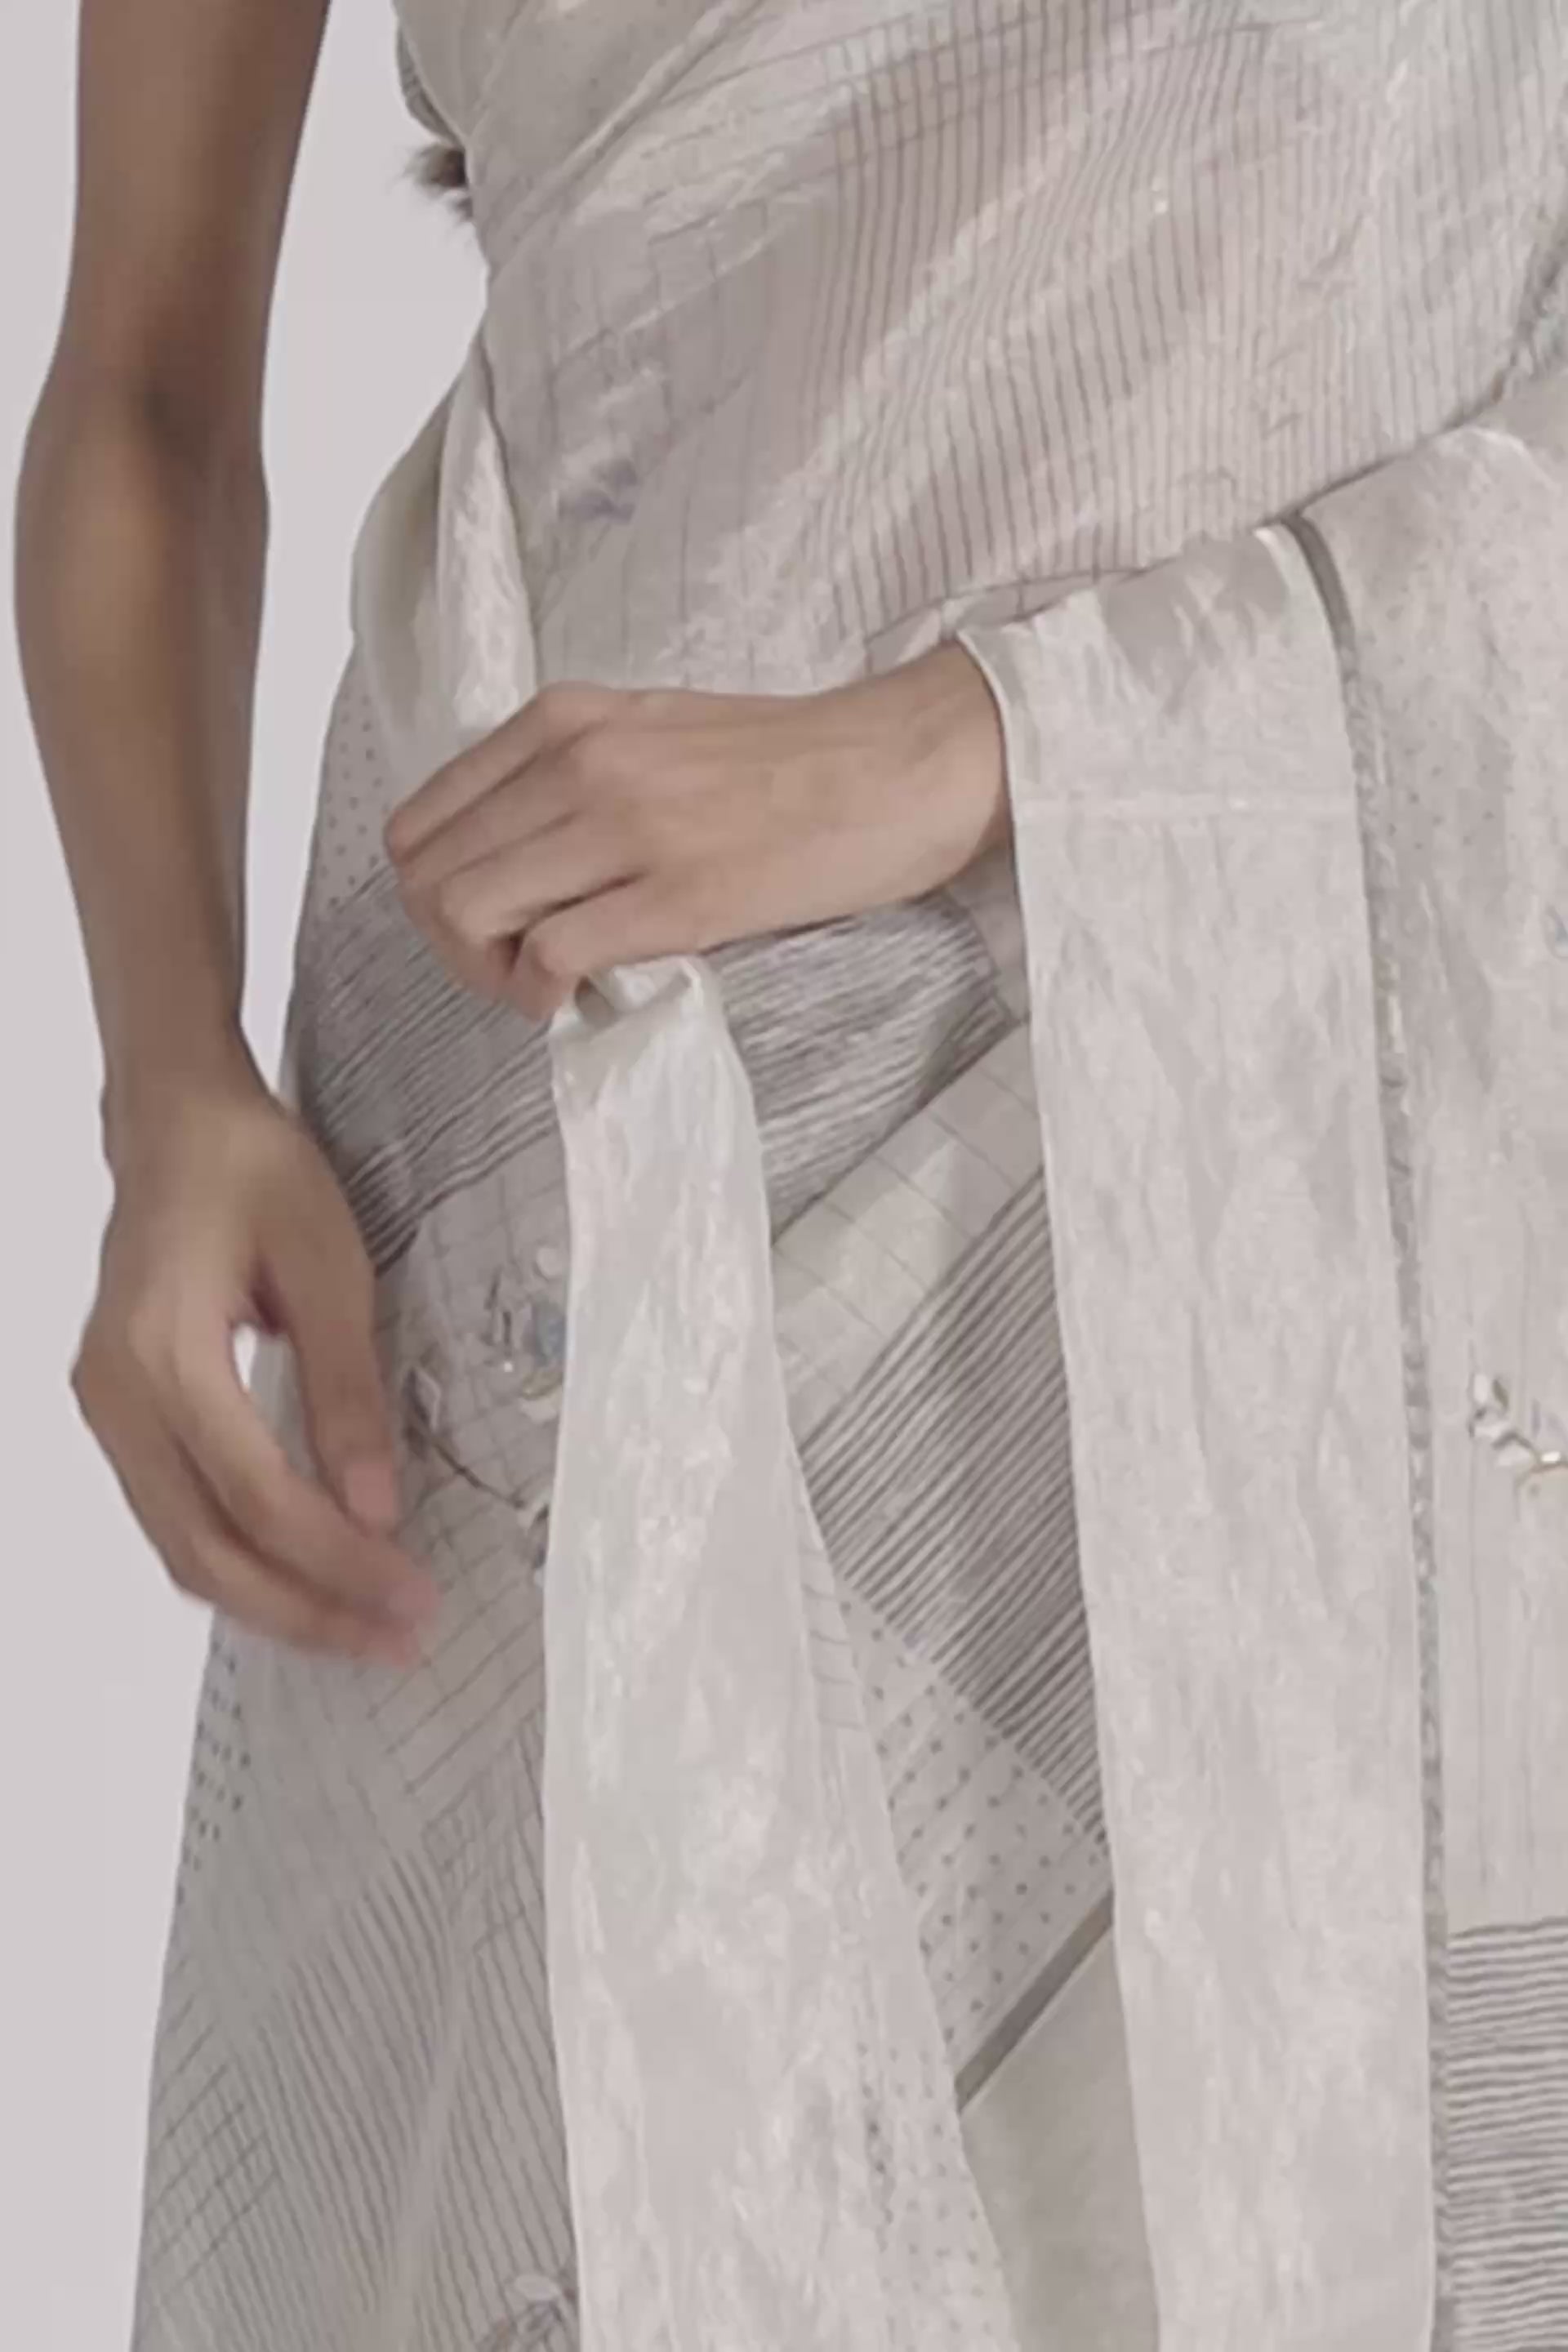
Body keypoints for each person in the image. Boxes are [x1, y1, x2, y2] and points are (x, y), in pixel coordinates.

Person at [17, 3, 1568, 2348]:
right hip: (566, 1183)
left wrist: (979, 742)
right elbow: (143, 388)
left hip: (1304, 1184)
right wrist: (164, 1076)